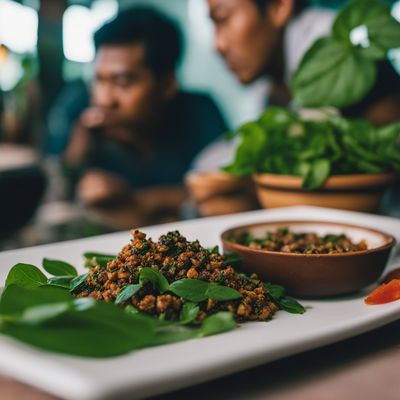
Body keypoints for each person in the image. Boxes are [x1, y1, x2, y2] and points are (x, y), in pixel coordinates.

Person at [187, 0, 400, 216]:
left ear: (279, 6)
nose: (218, 45)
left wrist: (252, 192)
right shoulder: (269, 84)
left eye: (223, 18)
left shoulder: (334, 50)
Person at [58, 7, 227, 227]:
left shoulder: (200, 111)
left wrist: (137, 200)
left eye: (123, 82)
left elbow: (224, 194)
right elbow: (55, 189)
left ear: (166, 84)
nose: (104, 99)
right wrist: (77, 152)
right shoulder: (78, 111)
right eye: (98, 80)